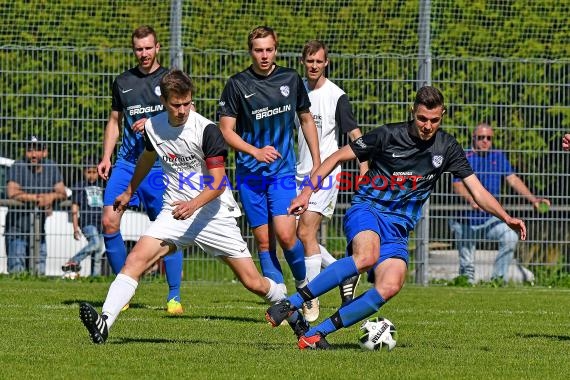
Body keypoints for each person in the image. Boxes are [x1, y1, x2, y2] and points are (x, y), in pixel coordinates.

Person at [265, 86, 527, 350]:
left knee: (390, 285)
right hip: (368, 209)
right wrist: (306, 193)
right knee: (366, 257)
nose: (427, 125)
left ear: (442, 116)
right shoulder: (388, 135)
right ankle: (291, 303)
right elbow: (337, 156)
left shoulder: (446, 147)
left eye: (434, 120)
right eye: (422, 118)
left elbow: (477, 190)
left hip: (398, 228)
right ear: (413, 112)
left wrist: (506, 217)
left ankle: (316, 334)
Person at [79, 69, 308, 344]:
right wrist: (129, 191)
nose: (183, 110)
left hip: (213, 214)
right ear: (164, 101)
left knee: (253, 283)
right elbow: (147, 158)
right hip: (175, 212)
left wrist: (193, 204)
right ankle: (105, 323)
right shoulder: (153, 127)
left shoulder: (207, 130)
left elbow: (218, 183)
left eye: (187, 103)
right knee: (136, 259)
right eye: (176, 104)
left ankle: (296, 317)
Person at [218, 26, 321, 294]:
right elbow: (226, 130)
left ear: (276, 49)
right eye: (258, 50)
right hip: (250, 175)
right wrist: (255, 151)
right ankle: (281, 303)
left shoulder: (290, 79)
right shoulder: (237, 84)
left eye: (269, 50)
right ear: (250, 51)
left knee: (287, 236)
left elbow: (306, 120)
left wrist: (317, 162)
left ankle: (304, 288)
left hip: (282, 171)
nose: (264, 55)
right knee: (264, 243)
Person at [97, 25, 184, 314]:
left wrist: (151, 121)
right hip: (126, 162)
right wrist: (106, 156)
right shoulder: (123, 82)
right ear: (134, 50)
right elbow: (114, 121)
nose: (144, 53)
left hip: (161, 165)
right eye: (139, 49)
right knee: (109, 221)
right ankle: (124, 288)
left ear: (157, 47)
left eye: (149, 48)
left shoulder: (170, 79)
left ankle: (173, 297)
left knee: (168, 230)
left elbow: (186, 114)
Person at [295, 39, 368, 322]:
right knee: (292, 236)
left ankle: (310, 298)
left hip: (325, 172)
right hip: (298, 171)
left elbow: (354, 133)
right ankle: (343, 271)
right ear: (304, 62)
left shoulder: (337, 96)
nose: (314, 66)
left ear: (326, 63)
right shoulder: (296, 91)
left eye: (319, 61)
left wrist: (364, 165)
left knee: (305, 233)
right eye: (309, 61)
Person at [450, 122, 549, 284]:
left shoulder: (498, 156)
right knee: (466, 260)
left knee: (510, 236)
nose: (485, 141)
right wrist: (472, 199)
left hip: (490, 219)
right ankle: (466, 283)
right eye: (481, 137)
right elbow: (458, 185)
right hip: (466, 220)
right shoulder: (464, 157)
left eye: (488, 138)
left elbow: (513, 180)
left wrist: (534, 200)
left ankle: (497, 280)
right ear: (473, 138)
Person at [5, 136, 68, 274]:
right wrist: (37, 198)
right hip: (17, 229)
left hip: (39, 231)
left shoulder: (51, 167)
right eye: (29, 150)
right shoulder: (18, 165)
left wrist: (50, 197)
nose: (33, 154)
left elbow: (62, 192)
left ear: (45, 152)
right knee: (17, 273)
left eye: (37, 150)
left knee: (39, 272)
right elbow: (12, 192)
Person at [61, 157, 104, 278]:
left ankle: (95, 278)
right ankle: (74, 260)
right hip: (87, 222)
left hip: (101, 223)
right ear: (84, 172)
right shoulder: (79, 187)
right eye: (88, 172)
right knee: (95, 243)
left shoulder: (102, 186)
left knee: (98, 252)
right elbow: (74, 209)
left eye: (94, 172)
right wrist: (75, 229)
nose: (91, 175)